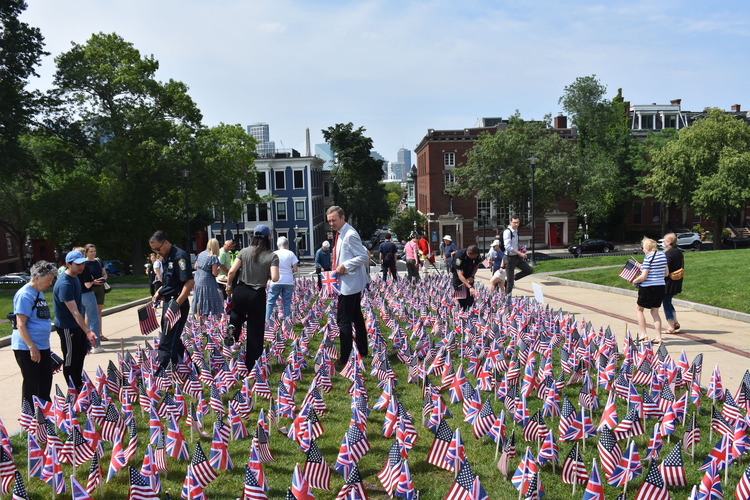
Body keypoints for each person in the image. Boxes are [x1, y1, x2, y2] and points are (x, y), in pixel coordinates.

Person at [225, 224, 279, 373]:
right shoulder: (271, 255)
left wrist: (229, 287)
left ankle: (233, 327)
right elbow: (275, 277)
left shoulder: (243, 251)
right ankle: (251, 365)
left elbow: (231, 272)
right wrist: (265, 274)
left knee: (237, 313)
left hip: (241, 290)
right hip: (257, 294)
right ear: (268, 237)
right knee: (255, 329)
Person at [326, 206, 369, 370]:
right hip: (347, 282)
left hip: (349, 284)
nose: (331, 223)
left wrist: (345, 265)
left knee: (343, 321)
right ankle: (362, 350)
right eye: (329, 220)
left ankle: (344, 358)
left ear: (342, 218)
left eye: (334, 220)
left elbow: (362, 256)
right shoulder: (342, 233)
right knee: (356, 317)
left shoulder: (350, 234)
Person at [11, 260, 57, 405]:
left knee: (45, 381)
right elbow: (20, 324)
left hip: (42, 346)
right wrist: (32, 347)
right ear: (37, 278)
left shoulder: (39, 292)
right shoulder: (25, 295)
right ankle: (31, 417)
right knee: (32, 383)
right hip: (28, 348)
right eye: (48, 280)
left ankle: (45, 412)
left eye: (51, 280)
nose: (50, 283)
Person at [53, 250, 97, 392]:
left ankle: (79, 383)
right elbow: (74, 311)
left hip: (76, 325)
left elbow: (79, 309)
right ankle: (73, 389)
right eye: (77, 264)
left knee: (80, 354)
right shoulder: (64, 284)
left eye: (82, 263)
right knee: (71, 359)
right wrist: (88, 331)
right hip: (67, 326)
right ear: (68, 264)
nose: (81, 267)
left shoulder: (75, 278)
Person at [149, 231, 194, 369]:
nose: (157, 252)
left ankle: (163, 373)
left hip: (176, 303)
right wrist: (159, 291)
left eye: (158, 248)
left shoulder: (179, 257)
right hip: (168, 301)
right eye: (154, 250)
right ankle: (190, 368)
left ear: (166, 242)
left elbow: (189, 282)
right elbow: (170, 282)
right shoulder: (166, 257)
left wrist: (177, 304)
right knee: (172, 338)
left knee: (167, 341)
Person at [632, 237, 668, 344]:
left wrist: (635, 280)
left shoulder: (648, 257)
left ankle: (644, 335)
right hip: (660, 286)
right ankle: (658, 337)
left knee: (639, 309)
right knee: (655, 312)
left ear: (647, 247)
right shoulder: (662, 255)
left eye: (643, 247)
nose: (642, 249)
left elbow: (643, 276)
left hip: (648, 287)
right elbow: (666, 273)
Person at [266, 236, 298, 322]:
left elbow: (270, 268)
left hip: (276, 280)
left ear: (278, 245)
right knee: (287, 302)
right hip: (288, 280)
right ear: (287, 245)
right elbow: (295, 269)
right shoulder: (291, 253)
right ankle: (286, 322)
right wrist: (288, 270)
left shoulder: (274, 254)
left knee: (271, 302)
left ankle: (267, 321)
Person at [192, 238, 224, 318]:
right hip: (207, 280)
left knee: (199, 298)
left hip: (198, 279)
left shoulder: (200, 254)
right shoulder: (213, 257)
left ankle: (198, 316)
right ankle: (210, 317)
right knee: (210, 298)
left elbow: (195, 266)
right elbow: (214, 273)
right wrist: (218, 270)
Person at [83, 244, 108, 344]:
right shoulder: (84, 263)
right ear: (86, 252)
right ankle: (88, 334)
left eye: (94, 251)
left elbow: (104, 273)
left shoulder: (98, 261)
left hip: (100, 288)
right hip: (90, 289)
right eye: (91, 251)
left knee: (99, 311)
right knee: (89, 313)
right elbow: (85, 278)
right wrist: (93, 281)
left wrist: (104, 278)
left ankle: (99, 333)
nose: (93, 253)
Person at [503, 216, 534, 295]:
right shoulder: (507, 232)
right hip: (509, 258)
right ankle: (507, 300)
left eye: (517, 222)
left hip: (517, 257)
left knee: (529, 270)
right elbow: (508, 247)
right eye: (514, 222)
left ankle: (511, 278)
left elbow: (515, 244)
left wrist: (521, 250)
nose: (516, 224)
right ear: (510, 222)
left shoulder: (516, 231)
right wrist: (520, 253)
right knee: (510, 284)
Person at [662, 233, 684, 334]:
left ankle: (671, 326)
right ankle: (675, 322)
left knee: (666, 303)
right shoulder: (679, 252)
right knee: (669, 301)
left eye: (665, 240)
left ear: (669, 242)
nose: (663, 242)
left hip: (668, 282)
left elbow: (665, 269)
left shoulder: (668, 254)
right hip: (677, 280)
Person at [451, 244, 481, 310]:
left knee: (470, 298)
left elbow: (476, 265)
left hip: (469, 273)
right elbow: (460, 275)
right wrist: (470, 287)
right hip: (459, 277)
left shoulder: (477, 255)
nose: (475, 258)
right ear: (469, 253)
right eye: (474, 257)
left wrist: (472, 276)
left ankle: (470, 312)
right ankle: (462, 312)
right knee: (461, 299)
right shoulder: (459, 257)